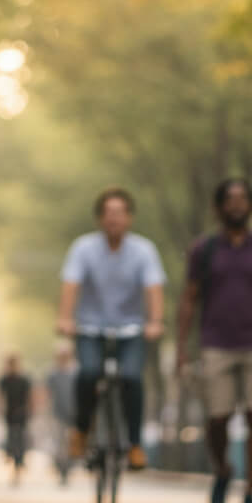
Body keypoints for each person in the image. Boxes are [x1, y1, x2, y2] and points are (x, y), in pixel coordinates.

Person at [176, 178, 252, 503]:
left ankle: (251, 493)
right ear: (219, 207)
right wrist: (183, 347)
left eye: (243, 199)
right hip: (216, 344)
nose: (237, 205)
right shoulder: (205, 249)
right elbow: (189, 298)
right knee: (217, 419)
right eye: (230, 199)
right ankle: (224, 469)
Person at [57, 187, 166, 471]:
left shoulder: (144, 250)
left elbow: (153, 289)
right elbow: (71, 285)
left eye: (120, 213)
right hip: (90, 327)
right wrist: (65, 318)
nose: (114, 219)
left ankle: (134, 445)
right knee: (89, 372)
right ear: (99, 219)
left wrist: (155, 322)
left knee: (131, 377)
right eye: (108, 213)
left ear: (130, 218)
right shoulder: (83, 248)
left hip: (131, 329)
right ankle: (81, 431)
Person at [0, 354, 33, 485]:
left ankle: (20, 461)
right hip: (9, 414)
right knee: (11, 438)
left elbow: (30, 396)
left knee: (21, 439)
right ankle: (10, 455)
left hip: (22, 414)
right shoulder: (4, 380)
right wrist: (0, 408)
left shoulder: (24, 380)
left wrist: (30, 409)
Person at [45, 343, 77, 483]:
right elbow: (47, 393)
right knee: (59, 442)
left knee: (71, 442)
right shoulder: (52, 373)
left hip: (74, 413)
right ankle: (60, 467)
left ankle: (69, 466)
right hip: (57, 413)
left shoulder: (76, 373)